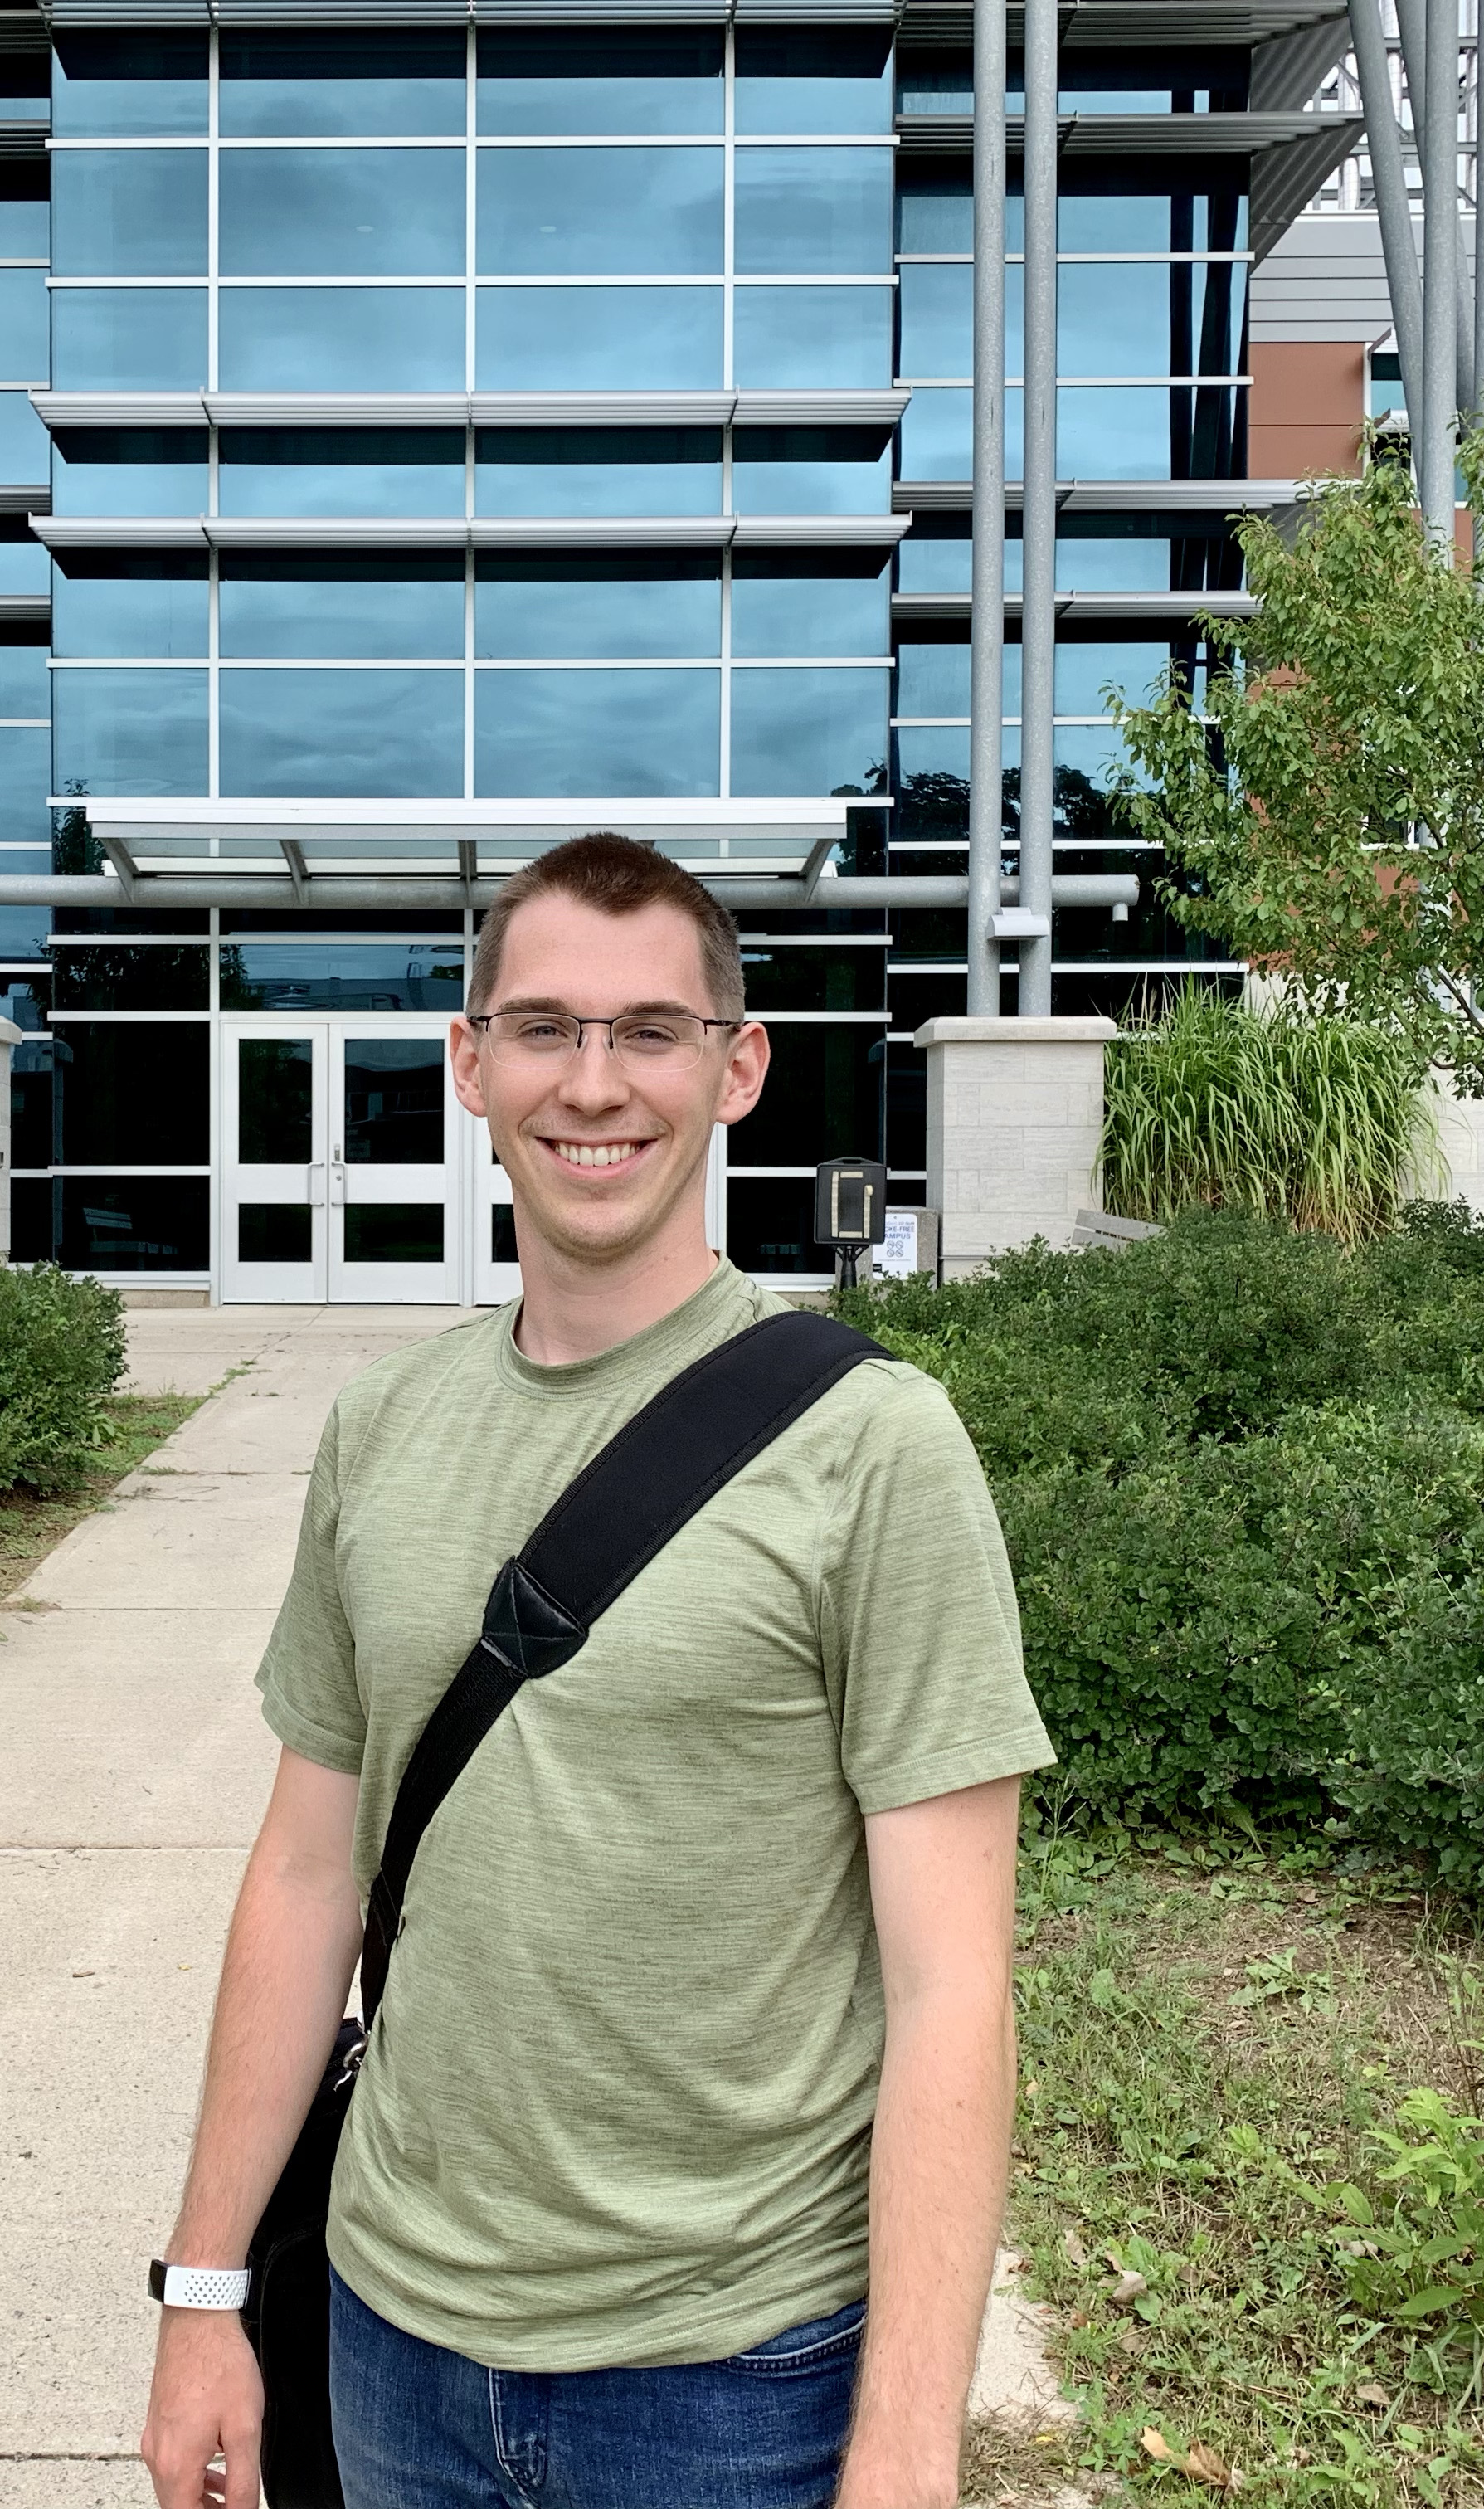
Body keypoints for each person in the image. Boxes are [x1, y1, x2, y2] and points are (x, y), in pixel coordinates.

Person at [139, 833, 1053, 2509]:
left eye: (649, 1032)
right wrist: (204, 2290)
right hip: (386, 2332)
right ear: (472, 1063)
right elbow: (306, 1869)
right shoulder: (381, 1430)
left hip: (735, 2382)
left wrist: (909, 2447)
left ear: (738, 1067)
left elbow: (952, 1988)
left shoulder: (876, 1451)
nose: (595, 1083)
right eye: (546, 1028)